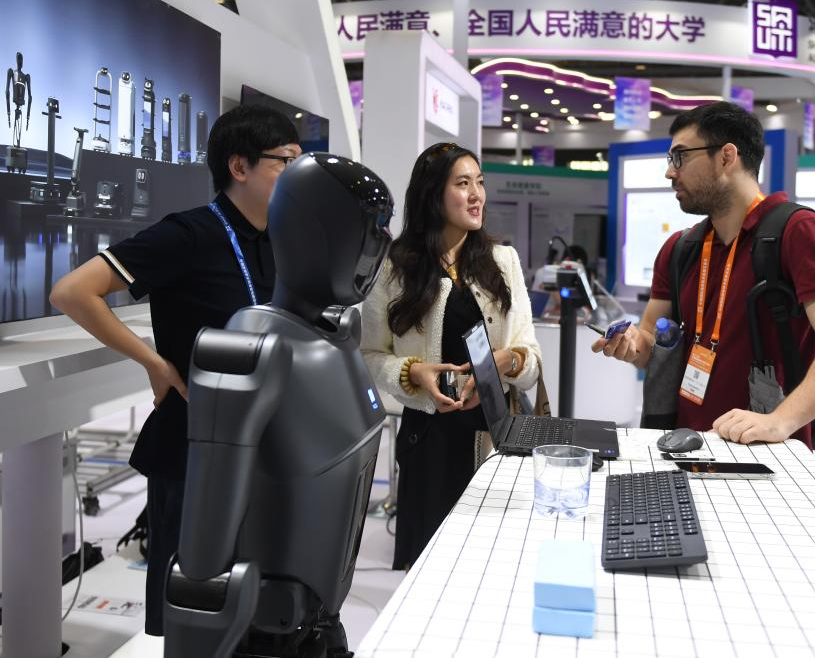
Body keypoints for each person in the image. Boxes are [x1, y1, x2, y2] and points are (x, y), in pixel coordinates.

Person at [49, 104, 300, 636]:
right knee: (191, 609)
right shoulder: (188, 233)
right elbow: (72, 292)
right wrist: (153, 361)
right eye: (285, 160)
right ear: (240, 166)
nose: (296, 172)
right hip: (195, 447)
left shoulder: (278, 239)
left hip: (262, 443)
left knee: (252, 606)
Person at [591, 101, 815, 448]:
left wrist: (779, 421)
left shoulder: (796, 231)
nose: (670, 172)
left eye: (680, 157)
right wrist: (632, 344)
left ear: (726, 157)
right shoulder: (680, 249)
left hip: (762, 453)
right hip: (682, 444)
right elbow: (649, 343)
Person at [361, 142, 541, 569]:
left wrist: (510, 361)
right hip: (429, 441)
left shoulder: (503, 261)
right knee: (430, 569)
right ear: (433, 194)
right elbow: (370, 355)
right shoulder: (394, 267)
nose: (476, 194)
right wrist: (411, 372)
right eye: (462, 184)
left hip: (495, 436)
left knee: (491, 565)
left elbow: (531, 357)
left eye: (480, 182)